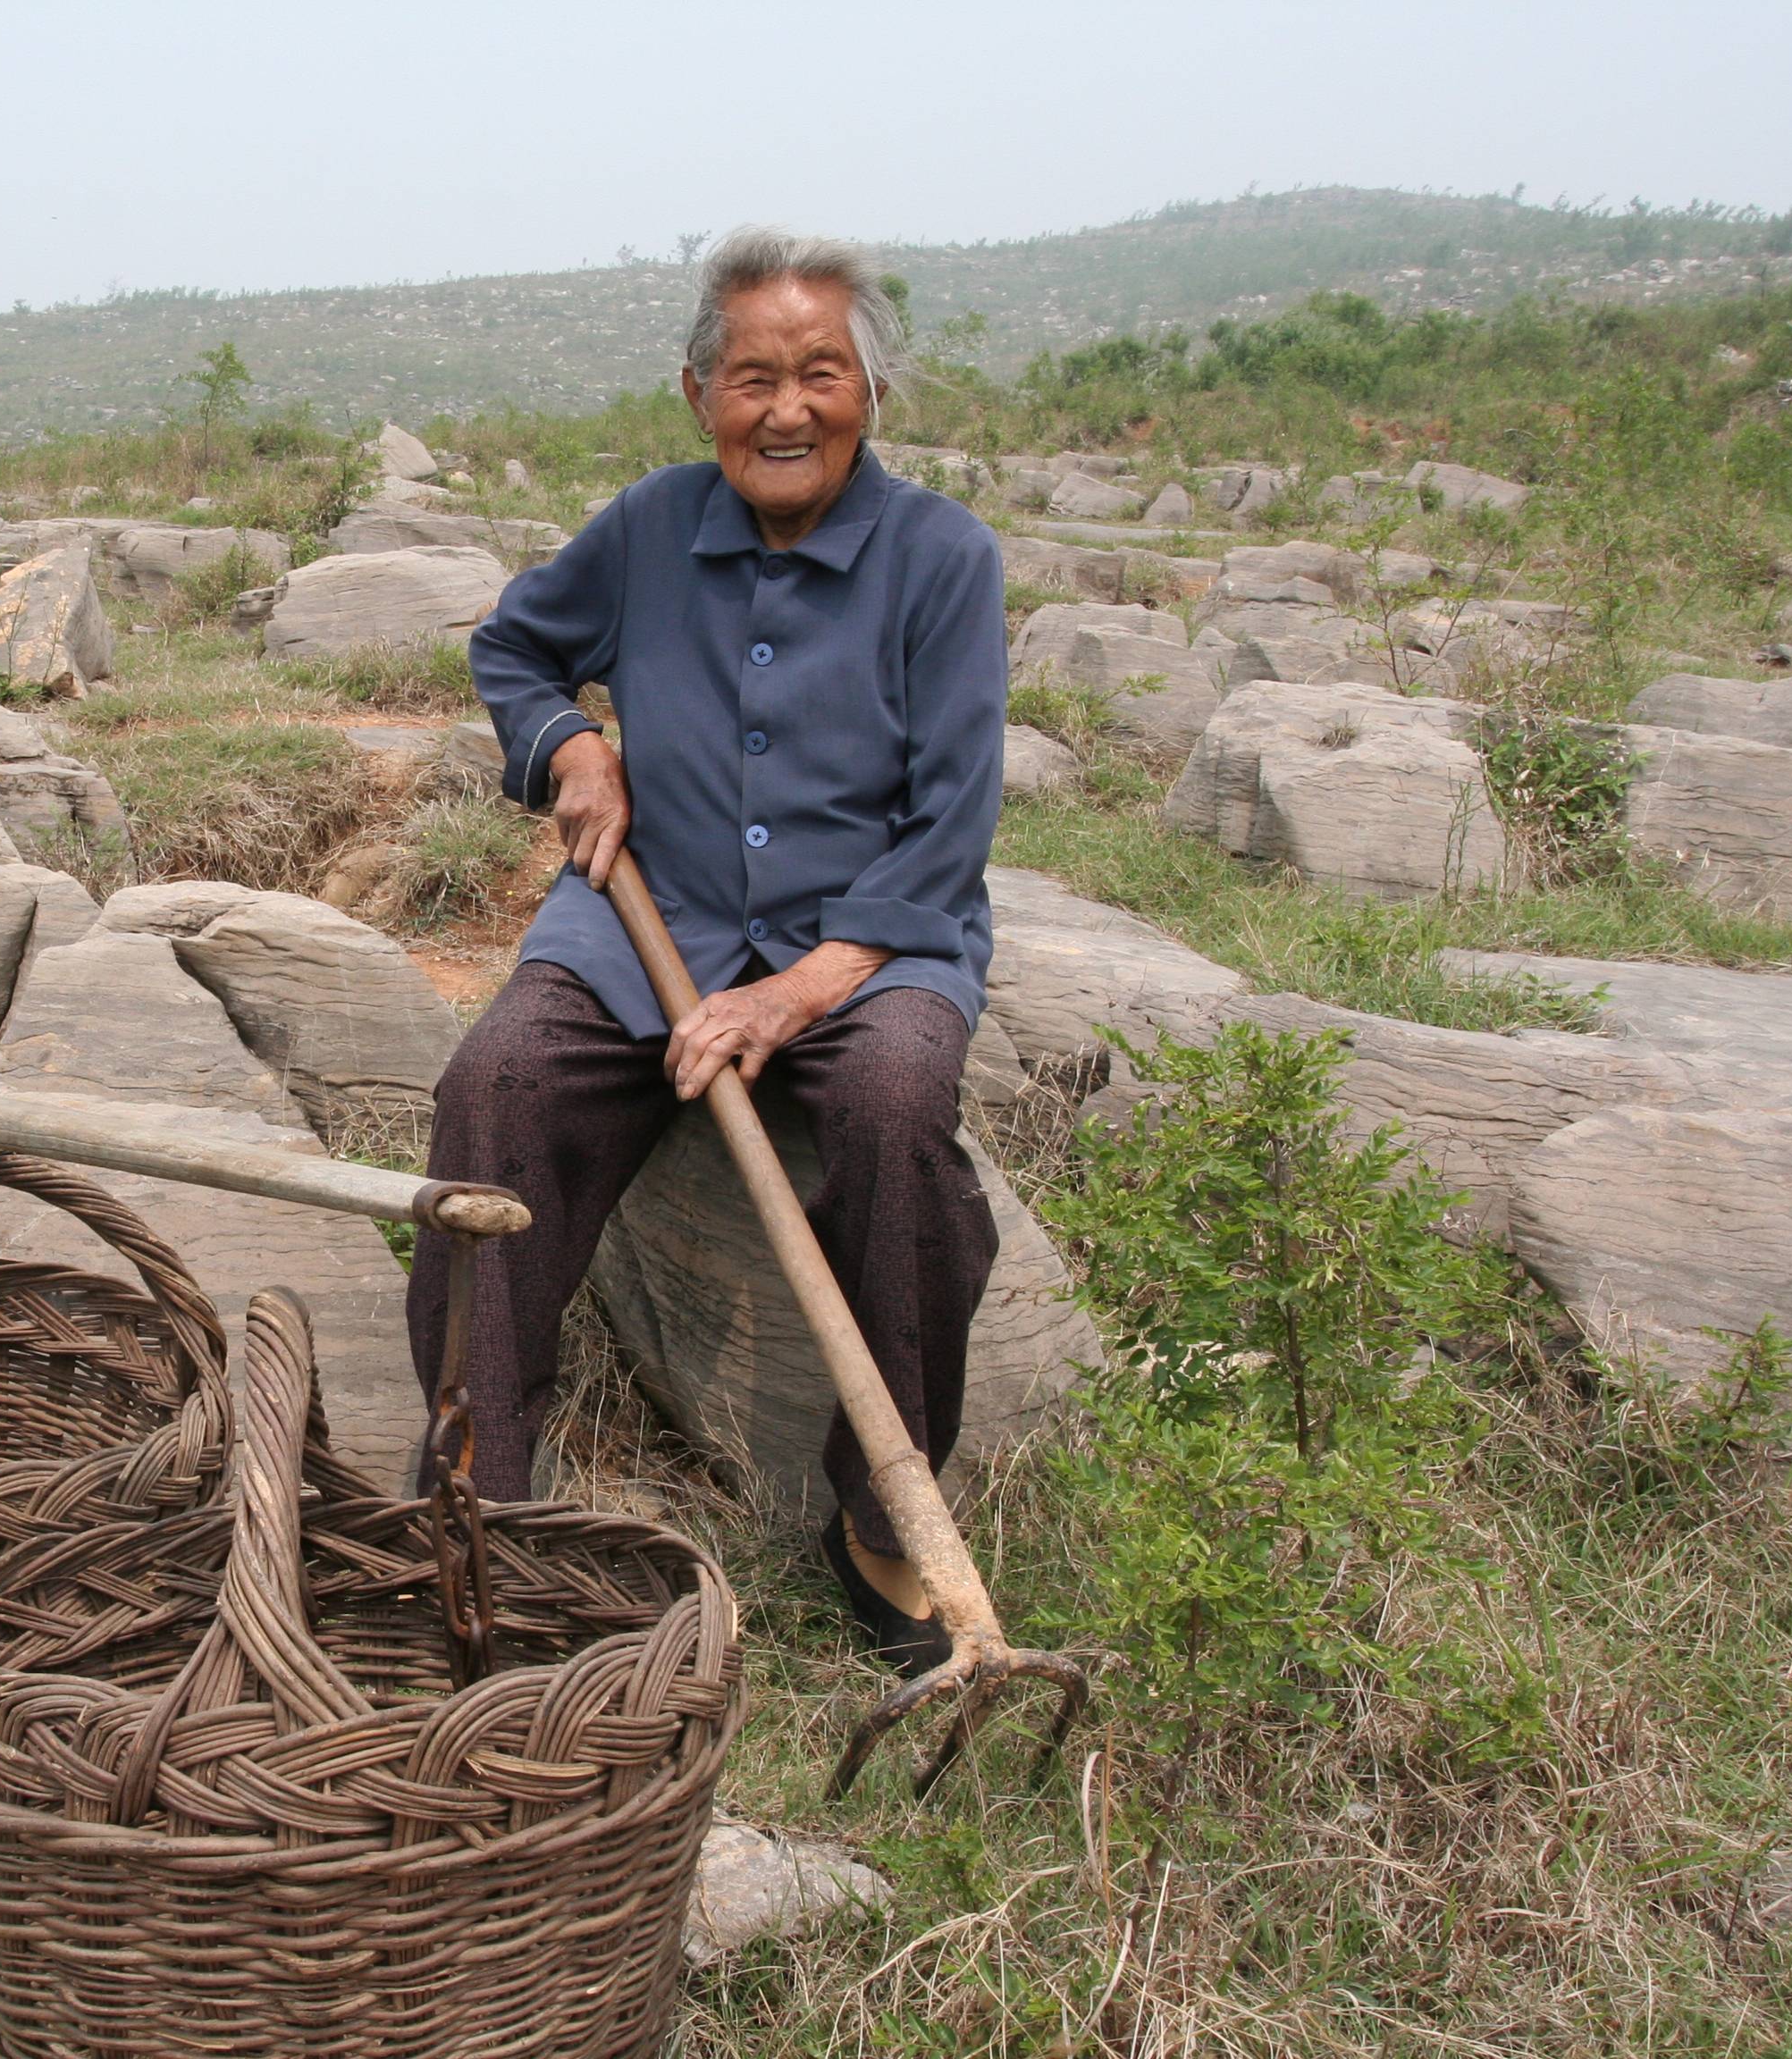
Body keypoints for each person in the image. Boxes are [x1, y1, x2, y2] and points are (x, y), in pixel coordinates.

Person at [407, 225, 1009, 1674]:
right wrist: (569, 750)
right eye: (753, 378)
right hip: (649, 923)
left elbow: (951, 823)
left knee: (890, 1110)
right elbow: (513, 651)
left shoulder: (942, 558)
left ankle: (881, 1520)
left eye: (821, 373)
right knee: (497, 1088)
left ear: (869, 392)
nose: (786, 409)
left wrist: (794, 996)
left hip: (872, 939)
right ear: (698, 393)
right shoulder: (645, 528)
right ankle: (475, 1500)